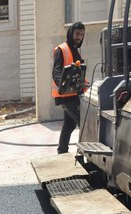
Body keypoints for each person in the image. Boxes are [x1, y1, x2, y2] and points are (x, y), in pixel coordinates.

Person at [52, 21, 87, 155]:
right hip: (66, 95)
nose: (79, 37)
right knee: (81, 122)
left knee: (69, 125)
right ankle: (85, 153)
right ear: (71, 33)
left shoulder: (75, 51)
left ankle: (62, 152)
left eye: (82, 35)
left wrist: (85, 84)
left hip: (74, 94)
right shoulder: (62, 49)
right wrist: (63, 85)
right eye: (77, 34)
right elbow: (56, 72)